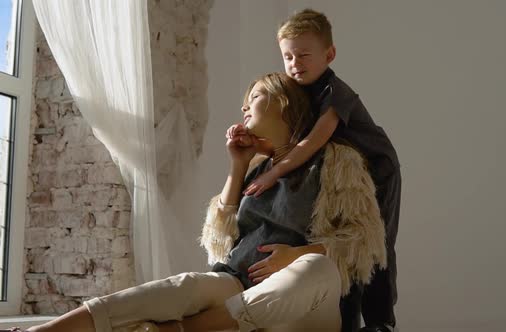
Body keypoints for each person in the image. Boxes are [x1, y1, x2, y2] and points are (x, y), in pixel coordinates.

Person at [17, 72, 386, 332]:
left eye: (254, 98)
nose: (244, 109)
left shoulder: (338, 162)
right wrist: (237, 166)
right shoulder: (256, 168)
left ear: (283, 103)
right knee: (186, 285)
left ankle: (183, 329)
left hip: (305, 306)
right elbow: (219, 246)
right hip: (239, 286)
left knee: (316, 269)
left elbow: (364, 241)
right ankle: (49, 330)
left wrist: (295, 255)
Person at [233, 9, 402, 332]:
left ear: (329, 54)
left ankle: (381, 322)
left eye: (304, 55)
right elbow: (287, 133)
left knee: (373, 244)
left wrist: (273, 173)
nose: (295, 63)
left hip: (378, 170)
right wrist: (251, 142)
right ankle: (345, 320)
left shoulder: (336, 93)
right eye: (288, 56)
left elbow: (311, 142)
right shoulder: (299, 91)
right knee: (330, 239)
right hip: (339, 172)